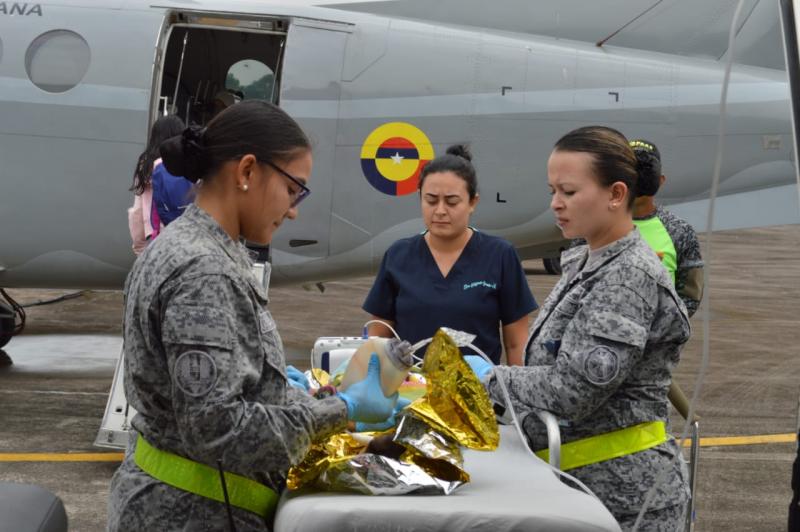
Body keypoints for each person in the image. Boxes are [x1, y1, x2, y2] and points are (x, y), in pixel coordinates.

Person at [108, 101, 397, 531]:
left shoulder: (195, 246)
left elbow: (220, 394)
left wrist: (291, 394)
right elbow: (219, 429)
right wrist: (343, 410)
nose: (295, 208)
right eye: (293, 188)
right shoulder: (202, 270)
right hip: (189, 513)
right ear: (247, 172)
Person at [466, 126, 691, 530]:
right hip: (584, 490)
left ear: (616, 194)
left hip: (625, 499)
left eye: (569, 192)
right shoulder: (588, 261)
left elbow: (574, 390)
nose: (556, 203)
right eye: (553, 191)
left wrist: (489, 379)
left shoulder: (626, 277)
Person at [362, 144, 538, 365]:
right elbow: (378, 337)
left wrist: (516, 395)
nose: (440, 210)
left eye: (452, 202)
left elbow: (516, 344)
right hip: (410, 393)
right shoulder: (398, 255)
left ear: (473, 202)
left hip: (478, 393)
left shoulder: (500, 256)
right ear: (420, 197)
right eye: (431, 200)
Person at [629, 139, 704, 317]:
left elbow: (690, 295)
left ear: (660, 180)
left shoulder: (679, 231)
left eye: (646, 172)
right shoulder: (594, 228)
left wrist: (659, 333)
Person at [126, 115, 184, 254]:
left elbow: (138, 212)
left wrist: (139, 247)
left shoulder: (147, 165)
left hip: (156, 239)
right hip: (184, 237)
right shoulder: (186, 165)